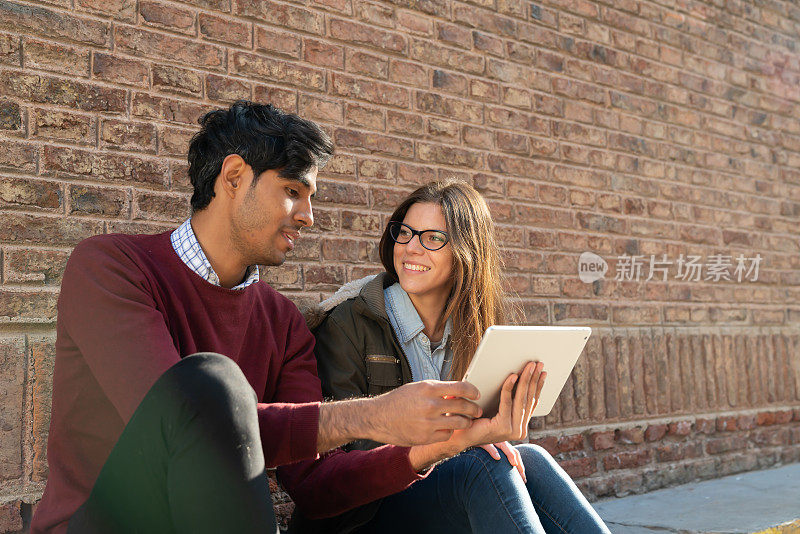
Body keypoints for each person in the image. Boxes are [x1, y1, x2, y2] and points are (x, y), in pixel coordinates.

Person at [30, 102, 504, 533]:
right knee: (213, 382)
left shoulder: (284, 323)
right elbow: (181, 422)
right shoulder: (111, 268)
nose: (308, 216)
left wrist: (430, 449)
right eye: (293, 191)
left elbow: (315, 486)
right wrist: (374, 415)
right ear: (234, 177)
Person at [303, 180, 612, 533]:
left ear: (467, 252)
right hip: (364, 515)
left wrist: (489, 430)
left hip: (438, 495)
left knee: (532, 460)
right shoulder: (349, 323)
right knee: (480, 465)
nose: (411, 248)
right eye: (405, 233)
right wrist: (456, 443)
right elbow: (343, 453)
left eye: (433, 238)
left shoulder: (474, 330)